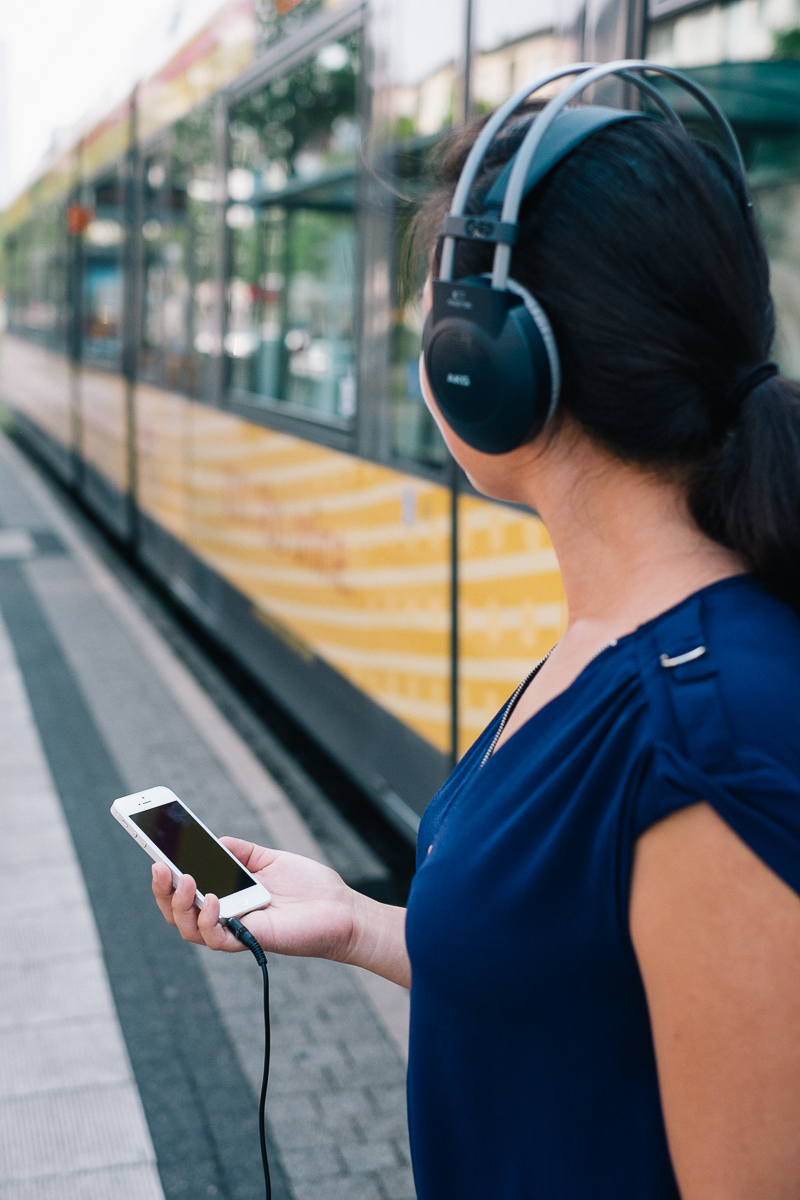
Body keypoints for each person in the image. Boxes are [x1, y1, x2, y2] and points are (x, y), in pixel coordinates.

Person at [152, 94, 800, 1200]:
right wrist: (358, 923)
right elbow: (575, 982)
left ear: (481, 361)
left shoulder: (711, 734)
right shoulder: (607, 647)